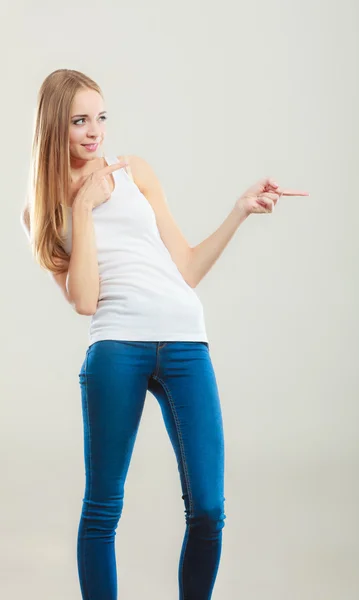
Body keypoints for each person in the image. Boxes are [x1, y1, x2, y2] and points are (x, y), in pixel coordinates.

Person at [21, 68, 309, 600]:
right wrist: (82, 206)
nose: (94, 132)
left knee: (208, 509)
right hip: (115, 348)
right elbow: (85, 299)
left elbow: (188, 268)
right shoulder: (41, 210)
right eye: (80, 120)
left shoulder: (135, 172)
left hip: (184, 340)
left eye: (100, 118)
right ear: (54, 127)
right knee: (103, 507)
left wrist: (239, 212)